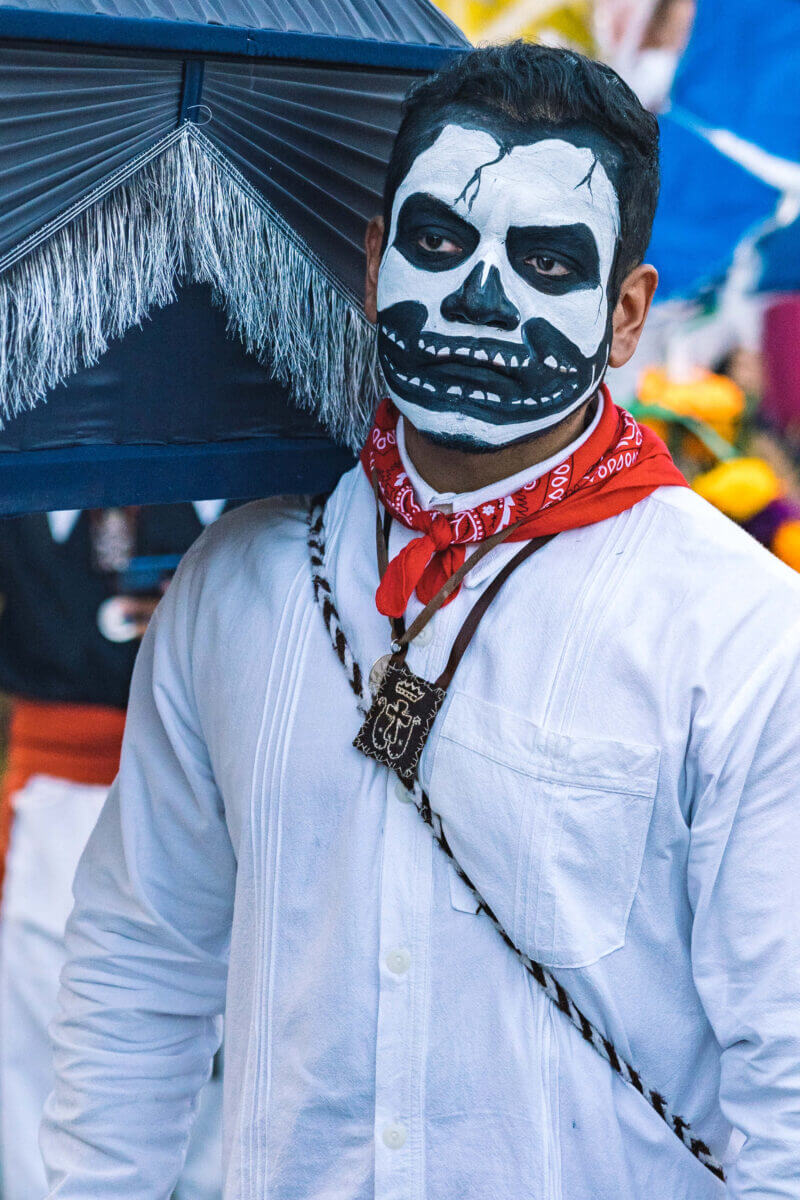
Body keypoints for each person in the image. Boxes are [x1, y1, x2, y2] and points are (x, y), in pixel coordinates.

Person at [40, 44, 800, 1199]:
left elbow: (785, 1073)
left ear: (625, 314)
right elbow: (139, 967)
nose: (481, 297)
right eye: (438, 244)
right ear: (372, 256)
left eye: (545, 261)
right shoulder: (238, 581)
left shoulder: (736, 635)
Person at [0, 504, 227, 1200]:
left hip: (228, 807)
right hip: (58, 807)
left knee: (230, 1099)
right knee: (53, 1093)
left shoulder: (278, 457)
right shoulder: (24, 460)